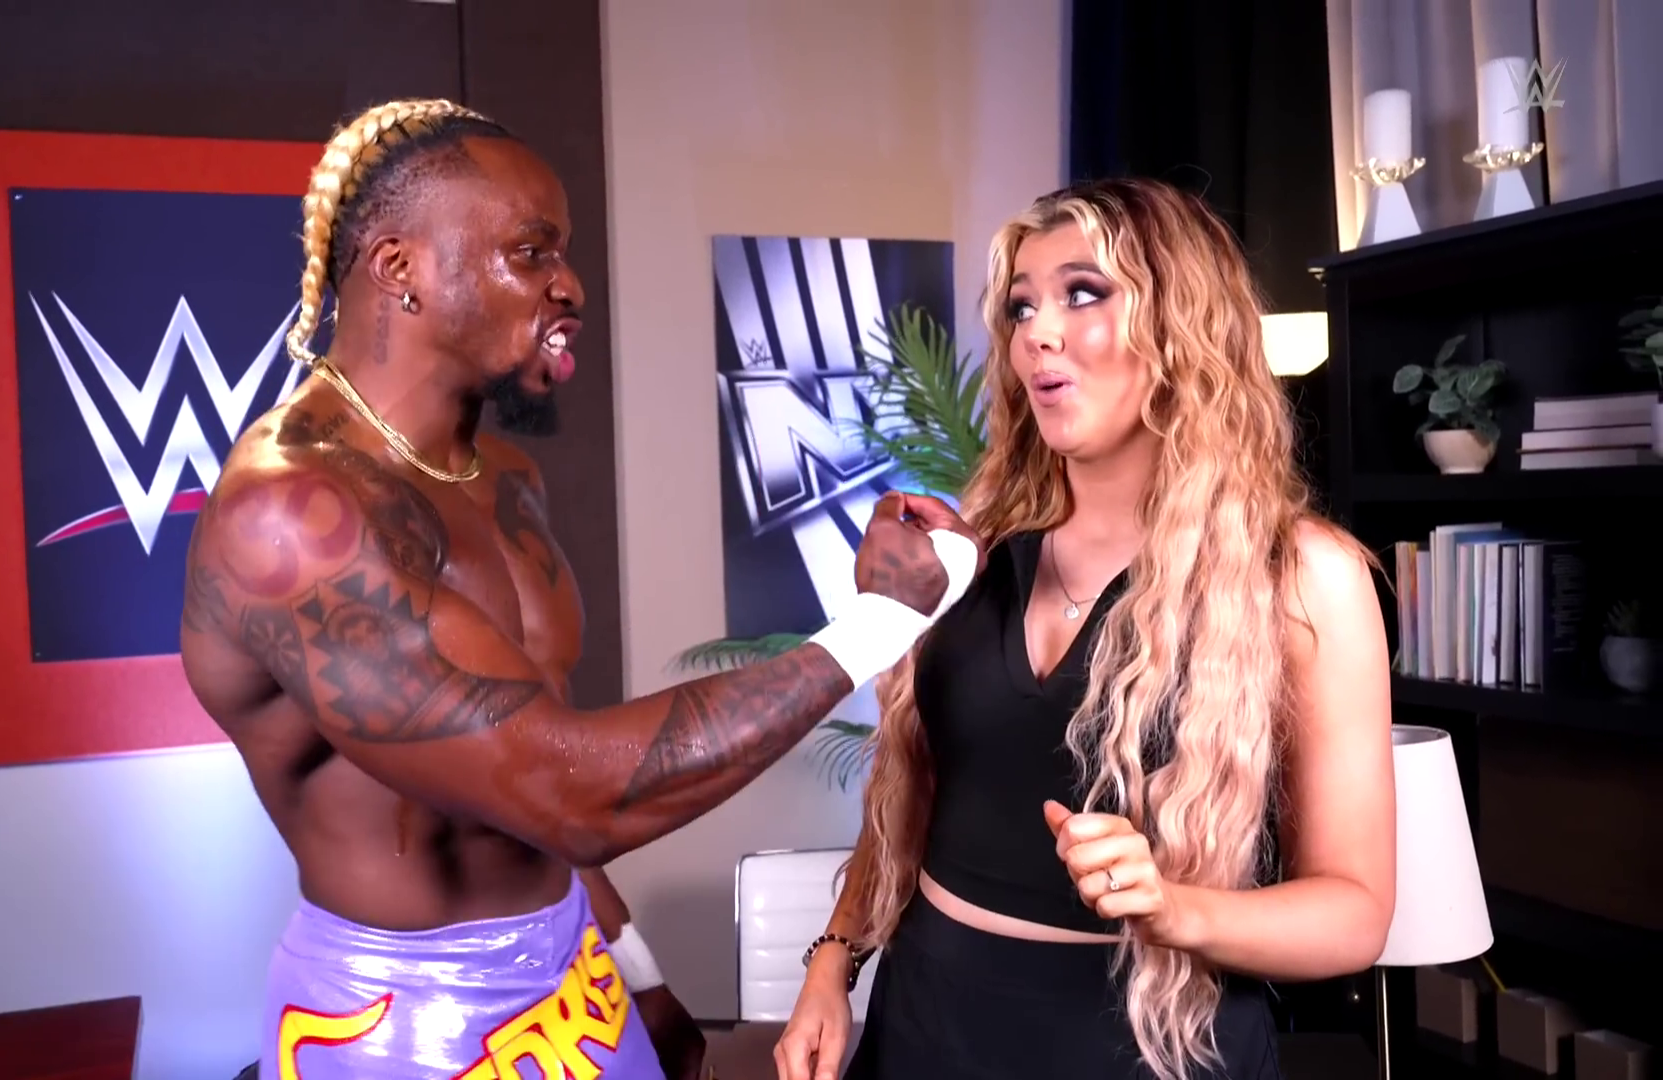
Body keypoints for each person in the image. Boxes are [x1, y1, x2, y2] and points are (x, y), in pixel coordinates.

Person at [177, 98, 985, 1080]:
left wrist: (633, 967)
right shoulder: (293, 514)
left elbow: (520, 776)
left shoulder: (505, 480)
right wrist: (877, 623)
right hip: (399, 1019)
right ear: (400, 268)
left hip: (574, 969)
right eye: (531, 253)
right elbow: (561, 790)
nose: (570, 286)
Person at [774, 177, 1398, 1080]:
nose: (1038, 333)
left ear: (1182, 325)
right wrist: (832, 964)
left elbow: (1355, 913)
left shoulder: (1302, 575)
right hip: (925, 1026)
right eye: (1022, 307)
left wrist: (1175, 908)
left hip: (1147, 1049)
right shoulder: (972, 554)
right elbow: (909, 792)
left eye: (1082, 293)